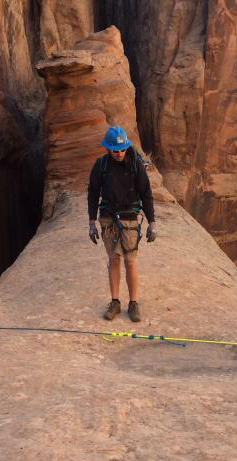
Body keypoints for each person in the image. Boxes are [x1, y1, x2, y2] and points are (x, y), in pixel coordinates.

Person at [87, 125, 156, 322]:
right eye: (115, 150)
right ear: (108, 149)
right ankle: (115, 302)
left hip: (129, 219)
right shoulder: (101, 166)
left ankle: (133, 304)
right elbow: (93, 193)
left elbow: (146, 194)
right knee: (114, 260)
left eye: (122, 149)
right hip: (109, 218)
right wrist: (92, 222)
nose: (119, 153)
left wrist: (152, 222)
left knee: (130, 260)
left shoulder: (135, 165)